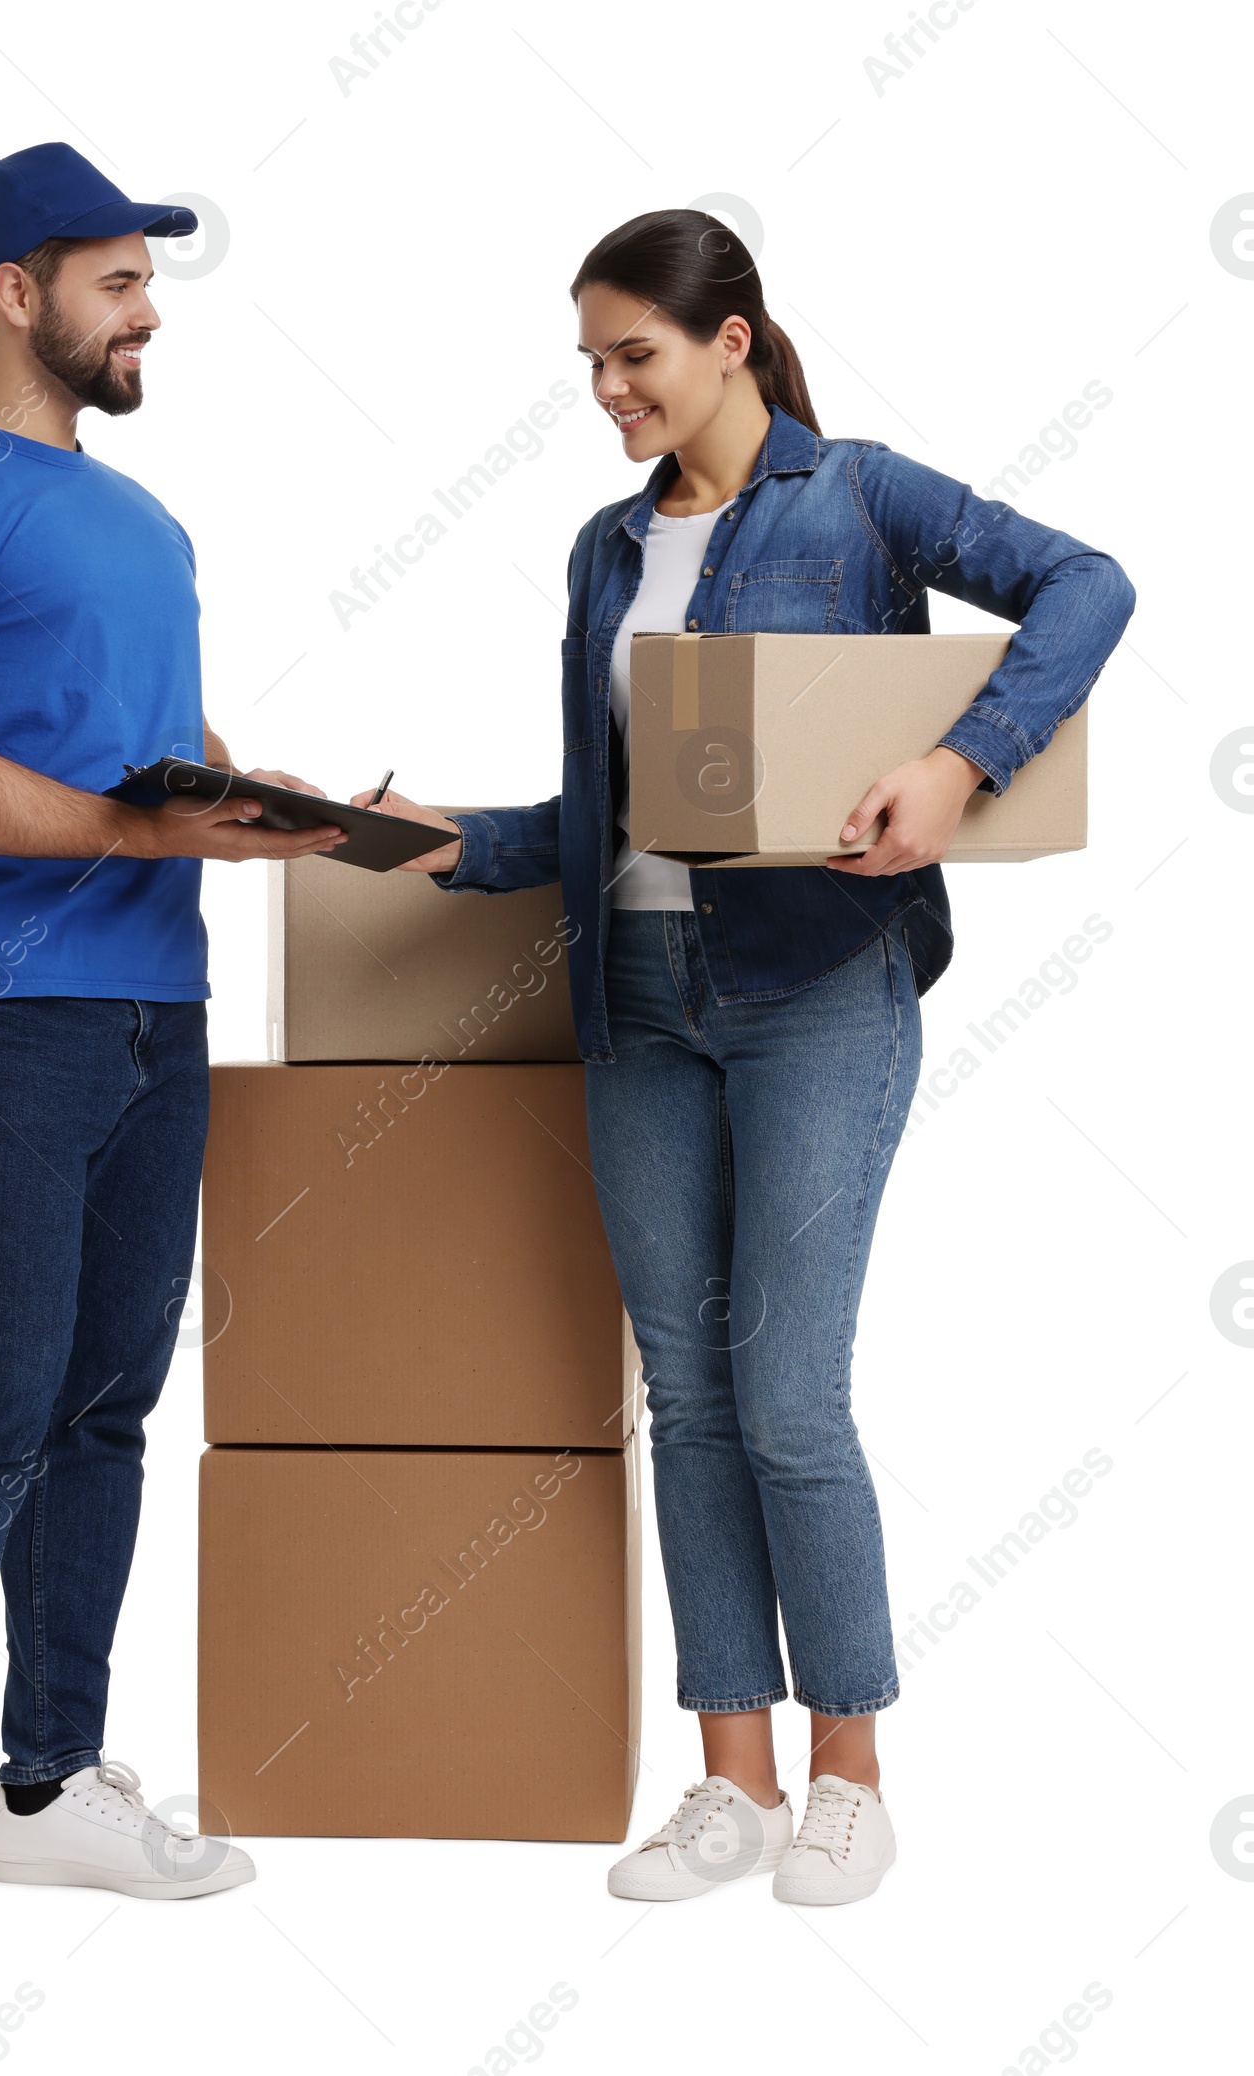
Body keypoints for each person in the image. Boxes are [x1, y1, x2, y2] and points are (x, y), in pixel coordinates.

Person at [355, 209, 1134, 1909]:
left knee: (789, 1394)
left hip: (816, 989)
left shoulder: (858, 498)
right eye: (589, 365)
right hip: (634, 994)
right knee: (689, 1397)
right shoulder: (602, 553)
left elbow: (1091, 583)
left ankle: (852, 1768)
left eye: (633, 355)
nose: (607, 392)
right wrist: (440, 842)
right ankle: (735, 1782)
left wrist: (961, 762)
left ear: (731, 337)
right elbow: (606, 814)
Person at [0, 142, 343, 1970]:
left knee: (107, 1407)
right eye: (118, 282)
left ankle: (55, 1791)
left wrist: (282, 814)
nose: (147, 310)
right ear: (16, 292)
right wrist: (140, 837)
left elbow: (162, 751)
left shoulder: (149, 523)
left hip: (152, 1012)